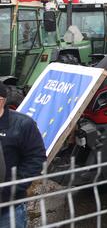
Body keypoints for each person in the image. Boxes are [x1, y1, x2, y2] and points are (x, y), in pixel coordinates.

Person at [0, 83, 47, 228]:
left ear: (2, 100)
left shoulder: (23, 125)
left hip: (8, 207)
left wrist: (12, 187)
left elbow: (36, 158)